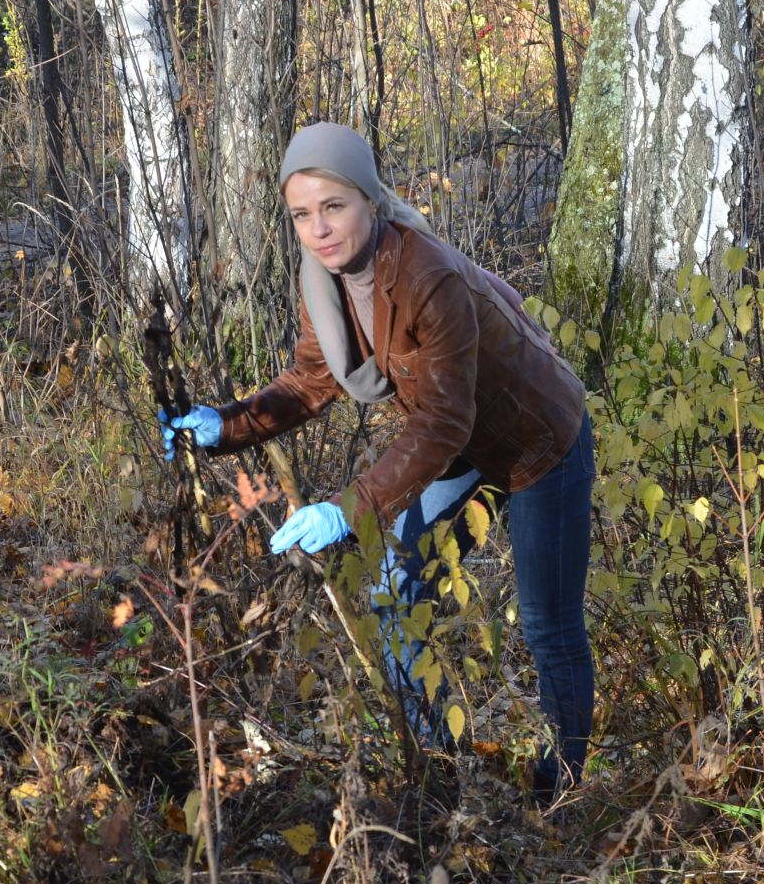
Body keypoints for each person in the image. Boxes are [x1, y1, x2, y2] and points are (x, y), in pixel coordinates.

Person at [162, 123, 596, 794]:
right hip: (460, 446)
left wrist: (348, 508)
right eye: (302, 214)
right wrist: (224, 424)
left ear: (369, 199)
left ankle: (558, 790)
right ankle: (446, 771)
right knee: (394, 602)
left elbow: (444, 419)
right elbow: (311, 381)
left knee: (547, 625)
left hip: (538, 441)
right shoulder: (325, 281)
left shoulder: (427, 275)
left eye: (333, 207)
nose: (319, 228)